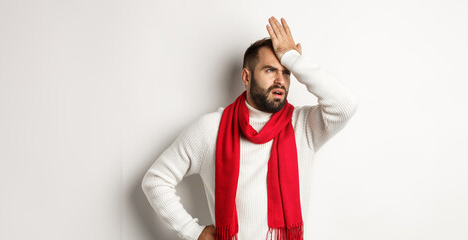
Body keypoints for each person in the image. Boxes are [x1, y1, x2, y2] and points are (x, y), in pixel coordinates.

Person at [142, 16, 358, 240]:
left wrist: (293, 59)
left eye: (286, 72)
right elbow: (156, 179)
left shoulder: (303, 126)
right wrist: (192, 232)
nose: (280, 80)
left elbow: (345, 104)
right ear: (246, 76)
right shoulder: (211, 129)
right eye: (270, 70)